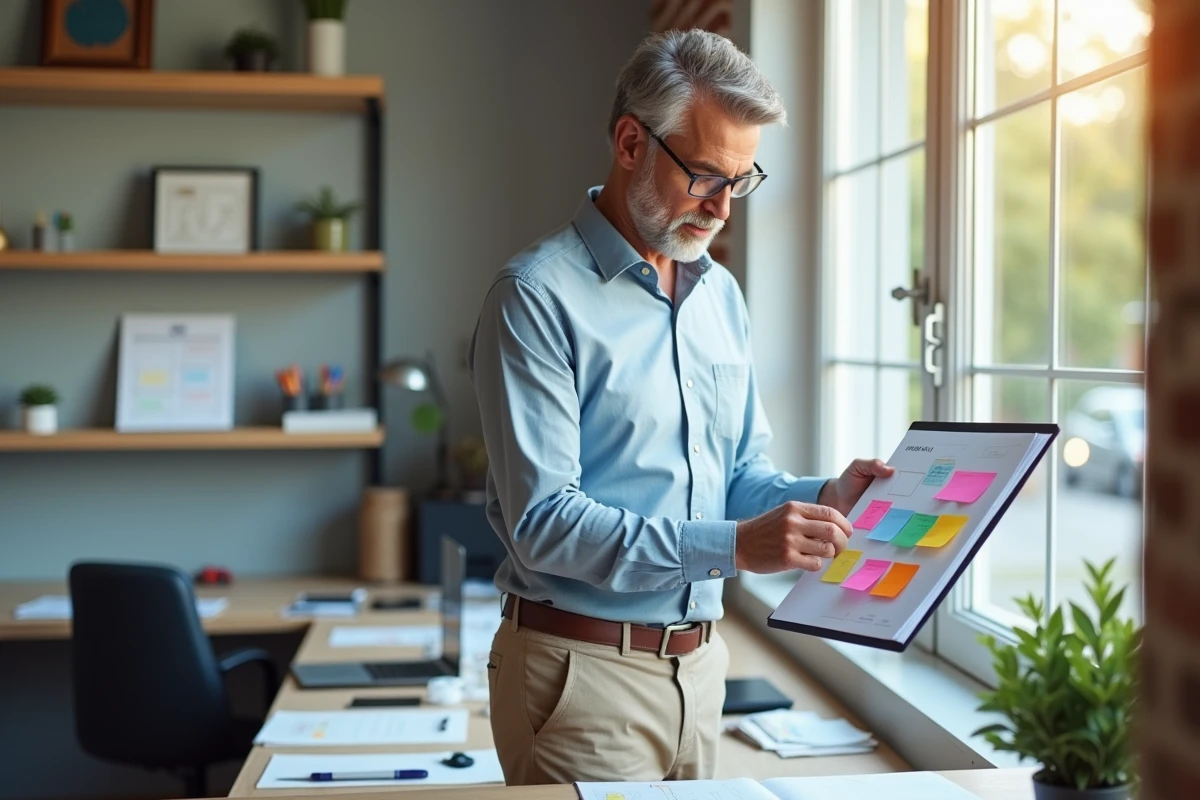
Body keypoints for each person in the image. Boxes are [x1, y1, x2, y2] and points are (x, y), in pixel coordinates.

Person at [468, 29, 893, 785]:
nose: (723, 208)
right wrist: (736, 547)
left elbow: (736, 475)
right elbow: (545, 525)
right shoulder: (535, 297)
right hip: (581, 677)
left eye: (741, 180)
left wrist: (823, 500)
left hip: (701, 676)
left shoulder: (719, 295)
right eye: (704, 177)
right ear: (632, 143)